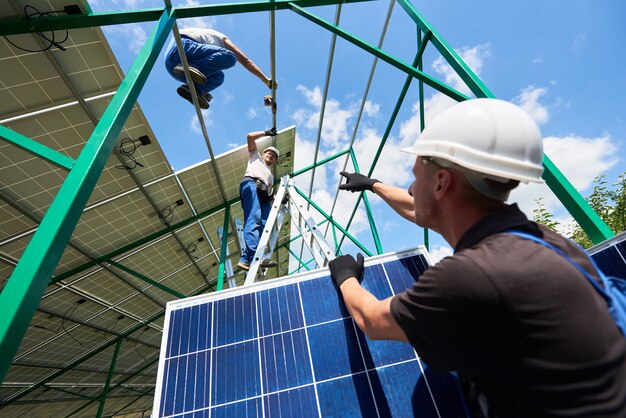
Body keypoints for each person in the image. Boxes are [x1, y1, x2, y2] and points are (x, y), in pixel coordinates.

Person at [329, 98, 626, 417]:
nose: (411, 188)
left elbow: (372, 320)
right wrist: (373, 185)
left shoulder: (470, 276)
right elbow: (423, 208)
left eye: (416, 176)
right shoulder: (542, 240)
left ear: (442, 183)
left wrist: (346, 278)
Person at [164, 27, 276, 109]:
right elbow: (244, 60)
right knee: (230, 57)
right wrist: (266, 80)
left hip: (172, 67)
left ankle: (195, 89)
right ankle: (193, 68)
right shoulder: (222, 38)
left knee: (218, 77)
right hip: (181, 48)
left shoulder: (208, 46)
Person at [238, 127, 281, 271]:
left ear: (274, 161)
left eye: (274, 156)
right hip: (251, 184)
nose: (271, 155)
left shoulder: (270, 175)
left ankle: (245, 259)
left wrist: (281, 199)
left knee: (264, 225)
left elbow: (271, 193)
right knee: (253, 218)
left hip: (264, 195)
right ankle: (255, 256)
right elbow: (250, 136)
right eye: (269, 152)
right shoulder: (255, 157)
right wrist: (266, 133)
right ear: (263, 153)